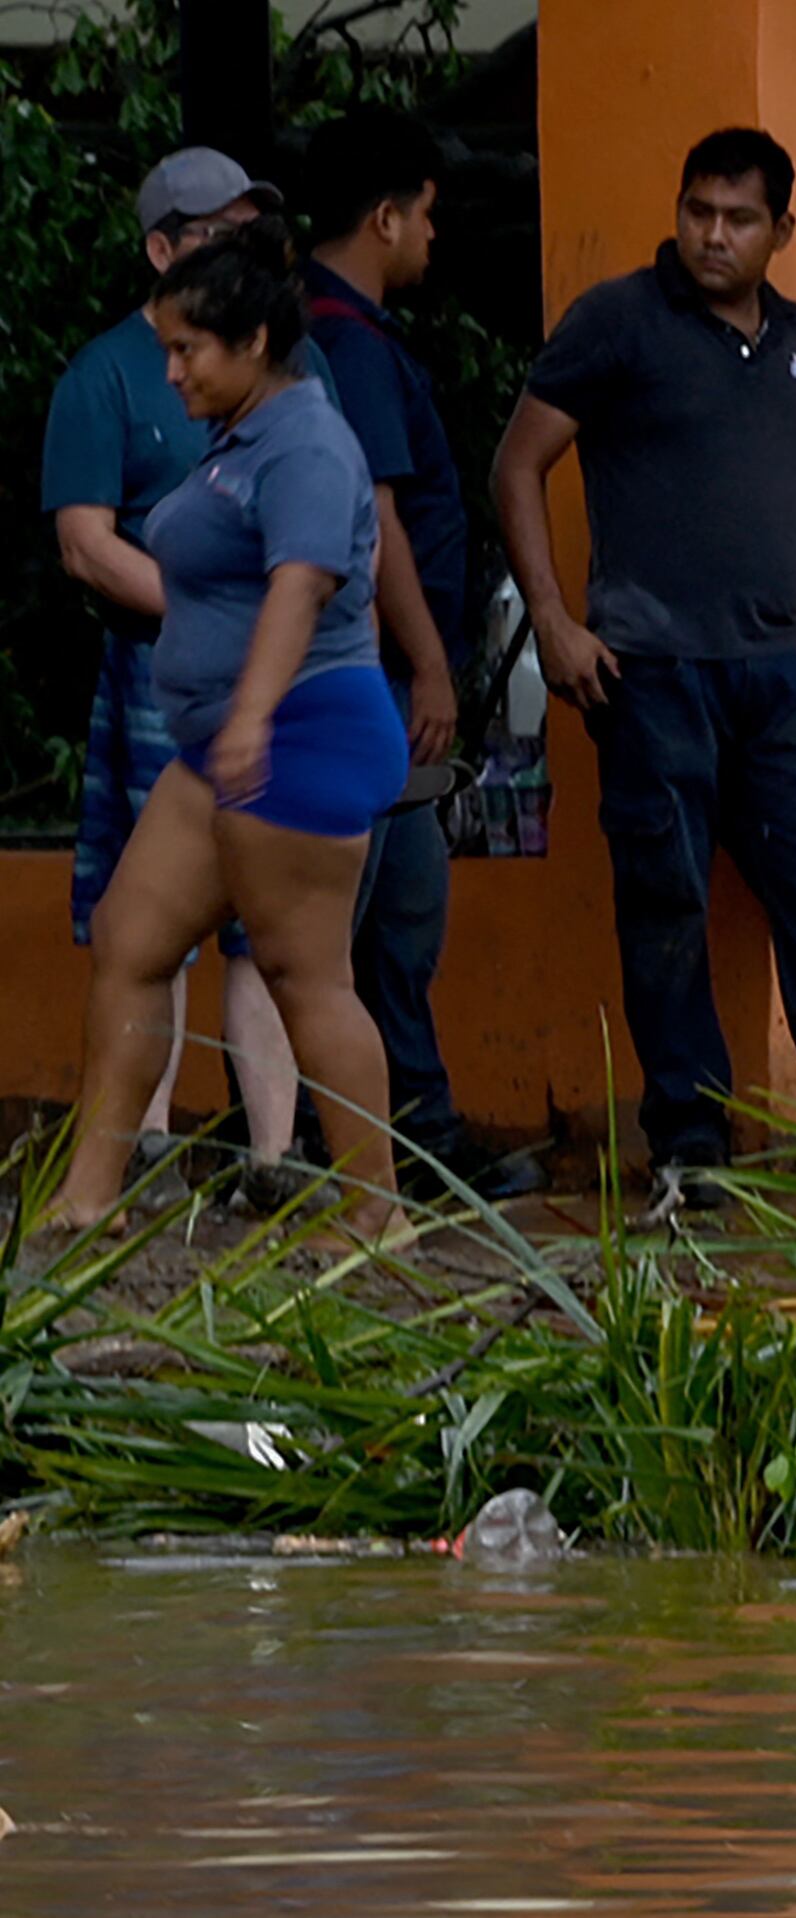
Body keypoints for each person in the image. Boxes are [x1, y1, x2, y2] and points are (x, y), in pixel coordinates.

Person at [491, 127, 796, 1204]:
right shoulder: (618, 322)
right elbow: (517, 464)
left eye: (737, 219)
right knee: (665, 903)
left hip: (780, 675)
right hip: (649, 673)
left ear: (782, 230)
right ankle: (689, 1148)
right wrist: (554, 621)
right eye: (697, 211)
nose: (711, 235)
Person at [45, 220, 408, 1238]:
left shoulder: (308, 441)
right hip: (224, 745)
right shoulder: (236, 436)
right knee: (129, 937)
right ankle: (87, 1198)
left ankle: (377, 1214)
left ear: (253, 341)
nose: (168, 372)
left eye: (186, 351)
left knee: (304, 976)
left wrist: (250, 717)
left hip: (296, 736)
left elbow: (306, 582)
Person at [40, 148, 322, 1207]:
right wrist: (212, 607)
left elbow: (342, 531)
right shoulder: (106, 373)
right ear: (161, 249)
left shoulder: (297, 367)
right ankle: (146, 1144)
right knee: (145, 917)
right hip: (162, 672)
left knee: (273, 918)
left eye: (256, 228)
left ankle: (274, 1153)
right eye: (219, 230)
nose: (247, 247)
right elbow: (84, 542)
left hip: (287, 676)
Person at [300, 107, 536, 1202]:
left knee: (397, 912)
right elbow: (380, 517)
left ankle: (410, 1125)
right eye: (429, 216)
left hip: (380, 671)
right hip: (381, 675)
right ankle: (377, 1137)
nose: (436, 238)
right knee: (379, 916)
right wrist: (431, 664)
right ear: (386, 216)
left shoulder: (341, 335)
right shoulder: (347, 342)